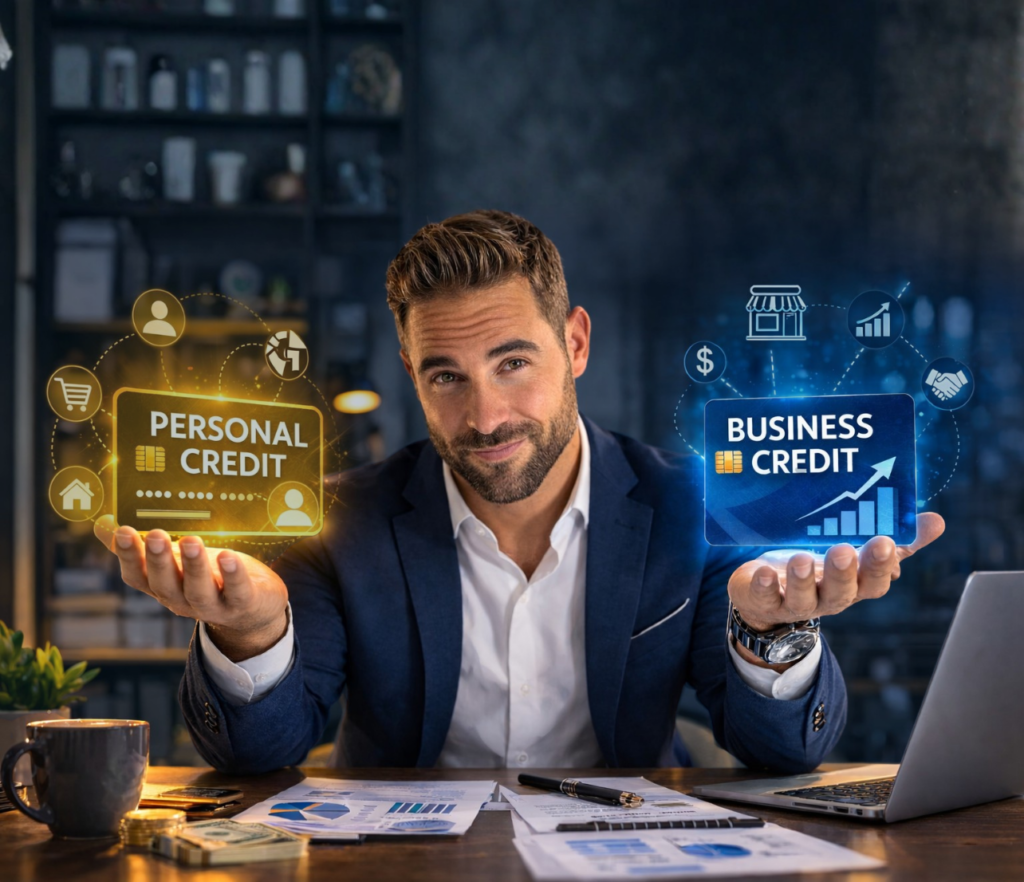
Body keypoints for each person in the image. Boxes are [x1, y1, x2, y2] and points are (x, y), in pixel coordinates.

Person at [96, 210, 944, 774]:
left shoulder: (693, 504)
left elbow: (784, 753)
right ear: (411, 378)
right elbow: (261, 750)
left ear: (574, 342)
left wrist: (772, 637)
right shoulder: (340, 517)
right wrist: (250, 632)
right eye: (446, 377)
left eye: (513, 362)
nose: (486, 415)